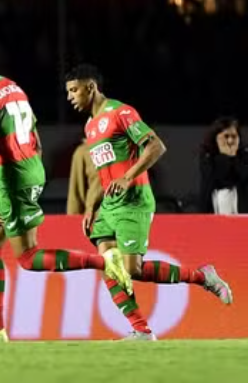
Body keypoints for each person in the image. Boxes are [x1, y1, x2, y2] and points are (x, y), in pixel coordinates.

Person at [0, 38, 132, 344]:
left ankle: (104, 261)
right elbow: (36, 140)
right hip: (30, 169)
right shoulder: (14, 88)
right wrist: (32, 172)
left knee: (28, 257)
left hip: (12, 178)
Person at [65, 64, 233, 341]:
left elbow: (156, 146)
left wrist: (128, 177)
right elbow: (103, 172)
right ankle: (141, 331)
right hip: (108, 205)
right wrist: (91, 206)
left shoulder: (121, 112)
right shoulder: (90, 126)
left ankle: (203, 277)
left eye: (74, 90)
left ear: (90, 87)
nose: (70, 97)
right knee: (110, 265)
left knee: (132, 269)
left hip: (133, 200)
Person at [199, 117, 248, 214]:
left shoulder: (244, 154)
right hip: (213, 209)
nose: (230, 140)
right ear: (216, 137)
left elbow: (244, 176)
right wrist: (224, 155)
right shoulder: (207, 155)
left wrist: (233, 156)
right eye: (226, 136)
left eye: (234, 136)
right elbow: (215, 179)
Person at [67, 137, 103, 216]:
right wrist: (72, 221)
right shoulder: (83, 152)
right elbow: (75, 196)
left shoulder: (128, 147)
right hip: (96, 218)